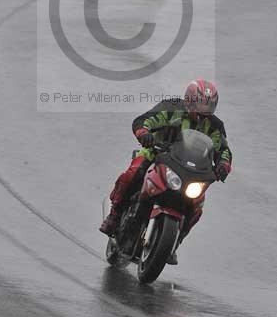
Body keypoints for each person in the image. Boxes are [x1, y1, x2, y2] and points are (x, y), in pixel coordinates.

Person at [99, 79, 233, 264]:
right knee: (135, 171)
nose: (205, 109)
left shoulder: (215, 126)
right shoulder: (172, 107)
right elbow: (143, 120)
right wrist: (144, 133)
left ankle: (175, 242)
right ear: (189, 100)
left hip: (190, 170)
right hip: (157, 154)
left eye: (209, 105)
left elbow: (223, 149)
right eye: (201, 104)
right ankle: (114, 216)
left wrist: (223, 165)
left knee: (197, 204)